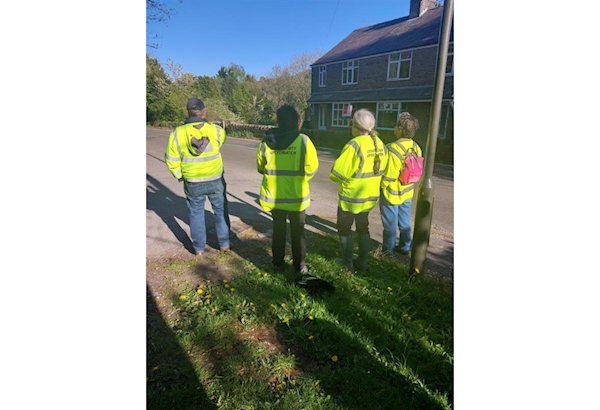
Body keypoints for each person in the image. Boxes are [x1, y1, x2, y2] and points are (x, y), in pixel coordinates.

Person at [256, 104, 319, 279]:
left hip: (275, 197)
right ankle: (300, 267)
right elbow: (312, 168)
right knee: (298, 233)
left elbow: (260, 167)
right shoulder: (304, 141)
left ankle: (277, 264)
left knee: (278, 231)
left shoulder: (266, 141)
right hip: (297, 197)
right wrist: (300, 178)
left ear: (278, 120)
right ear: (297, 121)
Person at [164, 98, 230, 256]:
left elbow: (171, 159)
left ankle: (199, 248)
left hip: (192, 181)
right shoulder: (216, 131)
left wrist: (180, 175)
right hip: (215, 178)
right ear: (204, 112)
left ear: (186, 112)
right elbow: (221, 142)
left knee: (196, 213)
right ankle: (225, 245)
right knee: (220, 211)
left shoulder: (177, 134)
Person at [329, 108, 388, 271]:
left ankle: (347, 262)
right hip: (369, 197)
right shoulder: (380, 144)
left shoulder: (354, 145)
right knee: (363, 228)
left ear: (355, 127)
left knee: (344, 229)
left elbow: (336, 174)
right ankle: (362, 261)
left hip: (351, 198)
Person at [380, 112, 422, 256]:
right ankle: (405, 246)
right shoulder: (416, 147)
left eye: (396, 125)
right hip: (407, 191)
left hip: (392, 194)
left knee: (390, 224)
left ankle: (388, 251)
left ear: (399, 129)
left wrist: (381, 187)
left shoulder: (393, 148)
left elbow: (389, 175)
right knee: (405, 221)